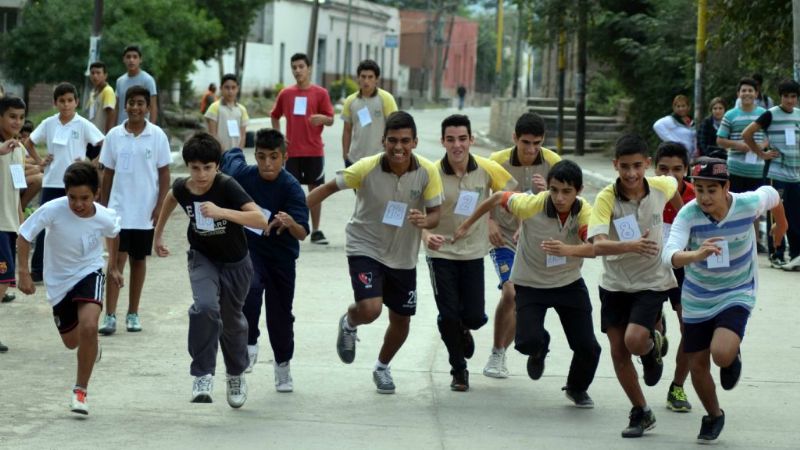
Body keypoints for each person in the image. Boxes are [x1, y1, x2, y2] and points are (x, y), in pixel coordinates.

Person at [306, 111, 443, 394]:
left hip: (403, 255)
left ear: (415, 142)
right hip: (364, 245)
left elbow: (436, 214)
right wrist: (293, 215)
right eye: (392, 140)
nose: (398, 147)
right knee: (371, 309)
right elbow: (327, 188)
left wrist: (425, 222)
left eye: (405, 141)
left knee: (401, 320)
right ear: (383, 141)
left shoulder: (428, 172)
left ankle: (382, 367)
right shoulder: (365, 168)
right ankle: (350, 321)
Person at [454, 160, 602, 407]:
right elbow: (497, 197)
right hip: (531, 283)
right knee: (526, 343)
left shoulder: (585, 210)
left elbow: (595, 247)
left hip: (568, 283)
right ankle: (540, 346)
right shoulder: (532, 203)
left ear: (579, 190)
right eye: (554, 190)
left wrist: (568, 249)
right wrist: (469, 224)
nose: (559, 197)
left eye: (567, 192)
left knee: (587, 346)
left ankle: (577, 388)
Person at [663, 157, 787, 444]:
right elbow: (668, 254)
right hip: (697, 296)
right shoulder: (688, 215)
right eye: (700, 189)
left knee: (720, 353)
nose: (704, 197)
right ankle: (714, 414)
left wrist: (781, 225)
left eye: (712, 190)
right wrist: (693, 256)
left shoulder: (746, 203)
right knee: (697, 365)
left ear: (726, 187)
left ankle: (731, 354)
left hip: (737, 290)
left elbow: (774, 197)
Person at [153, 132, 268, 407]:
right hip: (203, 257)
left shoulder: (227, 186)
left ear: (217, 166)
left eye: (207, 167)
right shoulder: (184, 187)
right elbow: (170, 197)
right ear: (188, 167)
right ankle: (203, 373)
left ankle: (236, 373)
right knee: (205, 308)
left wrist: (222, 212)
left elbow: (260, 220)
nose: (201, 174)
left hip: (236, 262)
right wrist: (157, 235)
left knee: (231, 321)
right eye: (195, 168)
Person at [588, 134, 684, 438]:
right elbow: (597, 244)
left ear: (648, 165)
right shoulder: (606, 198)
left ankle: (650, 343)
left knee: (632, 340)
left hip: (652, 282)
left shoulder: (663, 185)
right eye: (625, 167)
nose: (631, 174)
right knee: (618, 351)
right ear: (615, 165)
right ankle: (641, 410)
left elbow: (679, 199)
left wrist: (682, 230)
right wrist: (629, 245)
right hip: (615, 284)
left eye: (637, 166)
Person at [16, 161, 122, 415]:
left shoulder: (104, 216)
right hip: (59, 281)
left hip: (90, 271)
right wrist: (23, 272)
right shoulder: (52, 209)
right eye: (72, 197)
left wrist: (114, 266)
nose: (78, 204)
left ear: (96, 194)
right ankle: (91, 347)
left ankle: (80, 391)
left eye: (84, 198)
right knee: (71, 341)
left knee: (89, 326)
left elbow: (114, 233)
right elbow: (24, 235)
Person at [421, 114, 514, 391]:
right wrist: (426, 235)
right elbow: (417, 214)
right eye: (450, 139)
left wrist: (491, 219)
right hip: (442, 254)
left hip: (474, 252)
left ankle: (463, 328)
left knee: (474, 316)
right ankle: (458, 370)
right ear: (442, 142)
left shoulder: (487, 168)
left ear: (471, 140)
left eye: (462, 138)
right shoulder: (431, 173)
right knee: (448, 315)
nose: (457, 145)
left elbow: (511, 194)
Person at [220, 128, 309, 392]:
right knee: (251, 288)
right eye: (261, 157)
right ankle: (249, 343)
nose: (267, 164)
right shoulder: (243, 176)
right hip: (252, 251)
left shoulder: (291, 188)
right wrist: (231, 149)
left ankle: (283, 366)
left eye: (274, 157)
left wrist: (290, 223)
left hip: (282, 259)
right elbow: (231, 157)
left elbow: (303, 233)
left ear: (285, 157)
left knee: (280, 317)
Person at [482, 112, 562, 379]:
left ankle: (508, 349)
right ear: (514, 138)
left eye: (537, 143)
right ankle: (496, 353)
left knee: (522, 300)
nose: (531, 149)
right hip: (504, 237)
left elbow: (569, 202)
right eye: (525, 142)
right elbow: (482, 196)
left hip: (537, 241)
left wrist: (549, 192)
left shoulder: (553, 163)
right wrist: (489, 223)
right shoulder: (497, 162)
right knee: (510, 292)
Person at [97, 86, 171, 335]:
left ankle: (133, 313)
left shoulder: (157, 135)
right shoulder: (114, 136)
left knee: (138, 261)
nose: (136, 107)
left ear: (148, 108)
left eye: (141, 103)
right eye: (131, 103)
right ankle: (109, 315)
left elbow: (164, 173)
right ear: (125, 106)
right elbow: (107, 173)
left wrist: (160, 204)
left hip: (144, 211)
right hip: (118, 210)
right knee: (116, 261)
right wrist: (104, 206)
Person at [25, 83, 105, 283]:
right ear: (55, 103)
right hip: (52, 181)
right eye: (62, 101)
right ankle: (37, 268)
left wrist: (91, 163)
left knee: (76, 225)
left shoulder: (83, 124)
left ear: (76, 102)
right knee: (45, 225)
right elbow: (29, 142)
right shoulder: (49, 123)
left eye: (70, 100)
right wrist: (39, 161)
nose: (66, 104)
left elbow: (104, 144)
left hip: (75, 183)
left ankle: (75, 266)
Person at [271, 53, 335, 245]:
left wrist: (323, 119)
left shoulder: (320, 93)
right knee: (290, 191)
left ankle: (315, 230)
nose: (297, 70)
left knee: (316, 190)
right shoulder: (286, 93)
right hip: (291, 152)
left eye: (301, 66)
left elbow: (331, 118)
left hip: (314, 151)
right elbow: (274, 115)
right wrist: (279, 137)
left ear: (309, 68)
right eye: (294, 67)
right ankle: (292, 228)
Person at [653, 141, 695, 413]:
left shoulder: (696, 196)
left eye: (677, 170)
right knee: (649, 336)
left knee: (689, 331)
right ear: (654, 169)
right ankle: (657, 329)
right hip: (650, 267)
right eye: (663, 169)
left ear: (686, 170)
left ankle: (677, 386)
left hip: (683, 269)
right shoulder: (641, 192)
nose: (670, 176)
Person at [742, 79, 800, 271]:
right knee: (776, 216)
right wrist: (761, 153)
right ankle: (777, 254)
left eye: (793, 97)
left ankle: (796, 255)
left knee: (795, 216)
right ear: (780, 97)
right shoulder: (770, 115)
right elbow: (747, 133)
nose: (790, 100)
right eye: (786, 96)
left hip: (796, 175)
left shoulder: (798, 115)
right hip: (777, 173)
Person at [717, 78, 768, 252]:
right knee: (734, 205)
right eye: (743, 90)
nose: (747, 93)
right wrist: (739, 145)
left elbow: (772, 135)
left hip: (758, 169)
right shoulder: (730, 115)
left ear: (756, 93)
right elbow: (720, 139)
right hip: (736, 169)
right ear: (738, 94)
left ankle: (755, 242)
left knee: (756, 207)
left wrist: (762, 145)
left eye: (750, 90)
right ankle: (734, 240)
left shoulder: (764, 114)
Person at [0, 96, 27, 340]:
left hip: (10, 225)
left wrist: (22, 225)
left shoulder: (18, 149)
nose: (17, 121)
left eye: (20, 117)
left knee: (4, 280)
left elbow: (17, 191)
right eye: (11, 116)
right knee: (3, 279)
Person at [342, 59, 398, 166]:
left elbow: (394, 128)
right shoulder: (350, 101)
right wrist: (345, 154)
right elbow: (347, 130)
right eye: (363, 77)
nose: (366, 81)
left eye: (370, 77)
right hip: (355, 159)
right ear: (358, 78)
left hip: (379, 158)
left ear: (376, 79)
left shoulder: (386, 99)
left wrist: (391, 153)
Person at [114, 45, 158, 125]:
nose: (131, 60)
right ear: (124, 59)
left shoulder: (148, 80)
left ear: (140, 60)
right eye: (128, 57)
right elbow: (116, 107)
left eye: (135, 57)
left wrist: (152, 130)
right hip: (122, 128)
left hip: (141, 129)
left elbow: (153, 107)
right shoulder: (120, 81)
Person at [205, 74, 248, 151]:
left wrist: (238, 152)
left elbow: (243, 136)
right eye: (227, 87)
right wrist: (222, 151)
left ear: (238, 89)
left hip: (235, 155)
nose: (230, 91)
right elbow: (212, 134)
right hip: (218, 154)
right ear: (221, 88)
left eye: (233, 88)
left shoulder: (242, 110)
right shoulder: (214, 107)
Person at [87, 61, 116, 134]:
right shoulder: (93, 92)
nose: (95, 76)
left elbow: (111, 115)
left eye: (98, 73)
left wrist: (107, 137)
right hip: (92, 136)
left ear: (105, 75)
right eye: (92, 73)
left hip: (101, 137)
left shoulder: (108, 91)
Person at [19, 120, 43, 211]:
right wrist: (35, 167)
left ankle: (21, 208)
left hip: (20, 175)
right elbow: (21, 163)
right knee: (39, 177)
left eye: (28, 137)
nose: (25, 140)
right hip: (13, 178)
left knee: (42, 174)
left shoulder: (25, 148)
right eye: (22, 137)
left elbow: (28, 161)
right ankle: (20, 209)